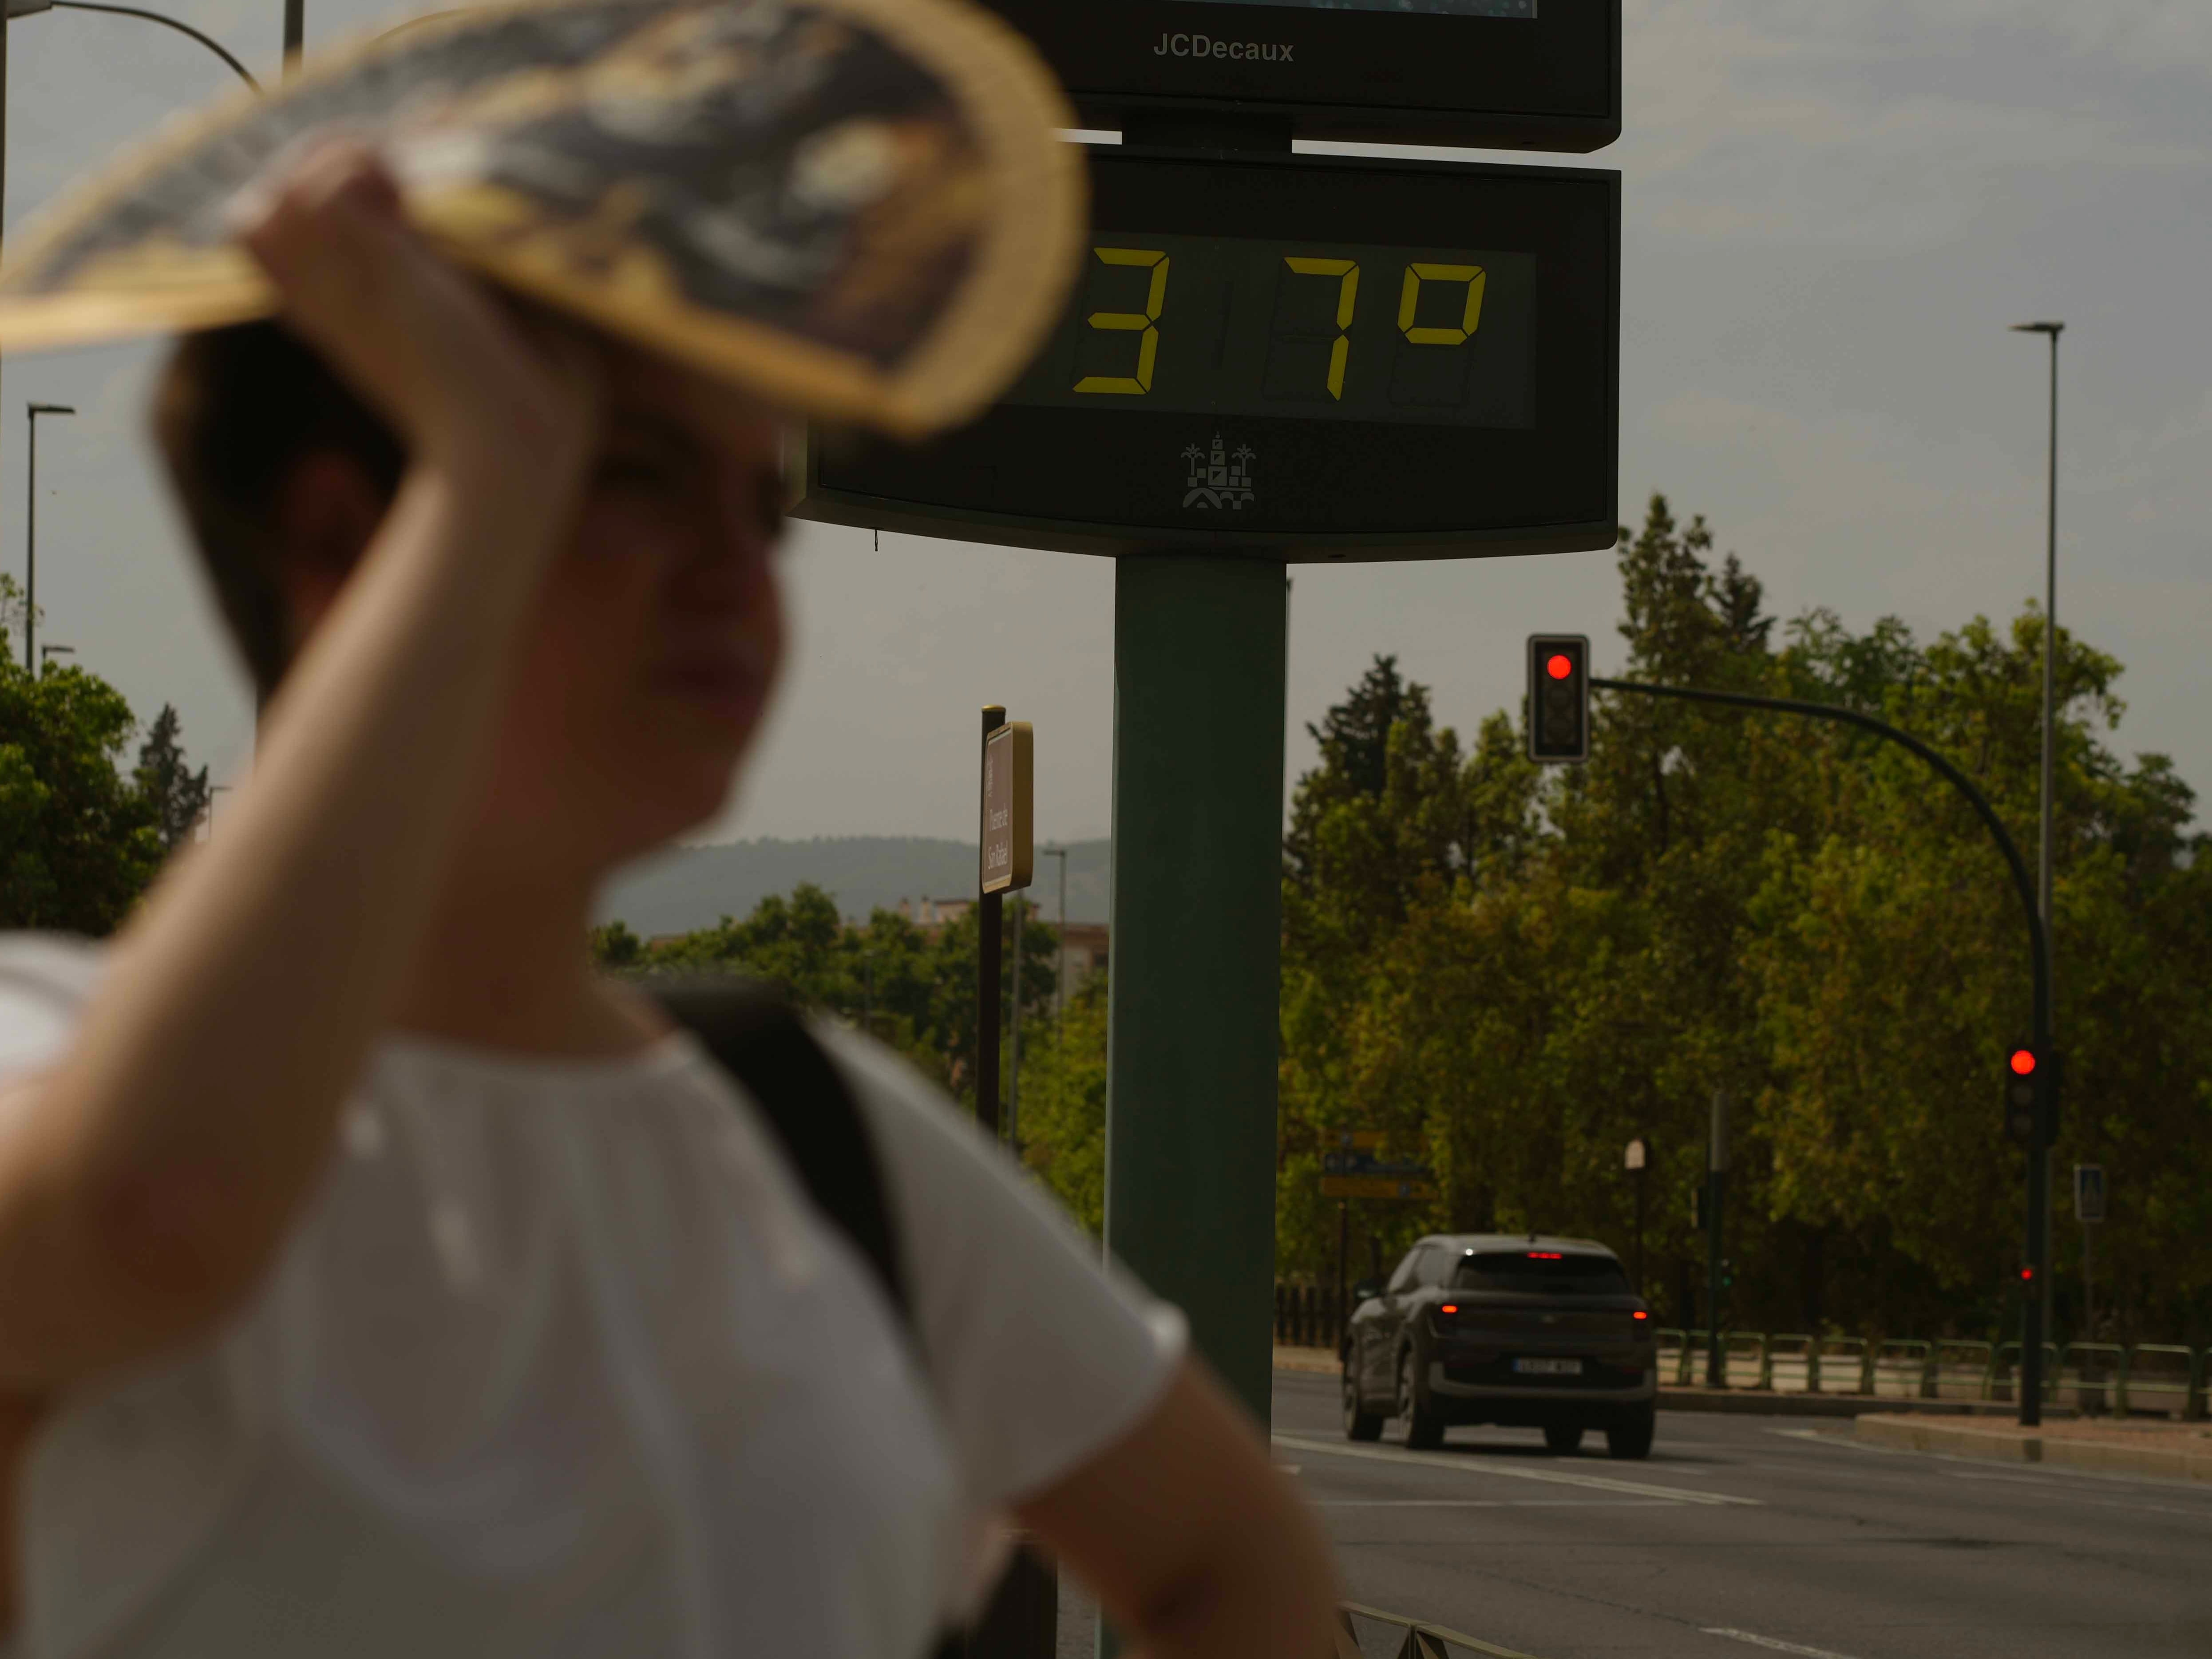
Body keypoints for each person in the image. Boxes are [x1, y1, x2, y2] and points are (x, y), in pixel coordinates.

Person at [0, 142, 1338, 1656]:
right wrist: (498, 468)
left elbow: (1233, 1555)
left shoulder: (813, 1136)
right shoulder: (43, 1056)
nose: (732, 571)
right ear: (336, 540)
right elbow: (156, 1216)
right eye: (629, 476)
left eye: (761, 508)